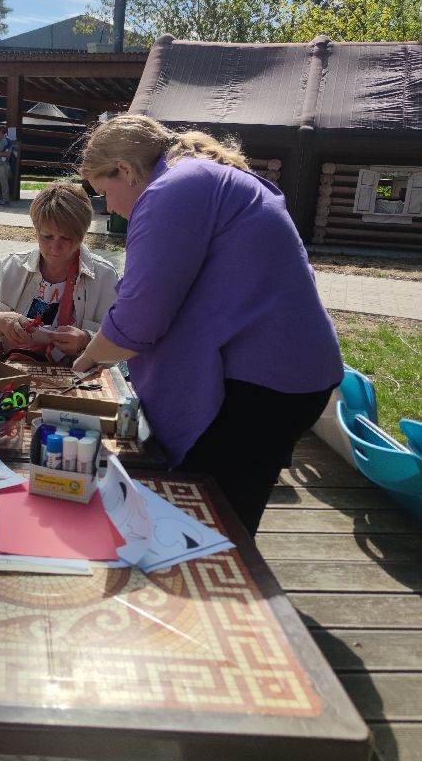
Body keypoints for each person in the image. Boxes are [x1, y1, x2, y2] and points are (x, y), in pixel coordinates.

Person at [73, 114, 343, 537]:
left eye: (105, 191)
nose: (109, 206)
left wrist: (87, 358)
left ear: (124, 169)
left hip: (259, 386)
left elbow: (139, 318)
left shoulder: (170, 191)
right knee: (225, 513)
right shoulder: (201, 176)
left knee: (209, 526)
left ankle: (217, 598)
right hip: (286, 375)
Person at [0, 181, 119, 364]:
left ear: (82, 235)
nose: (54, 248)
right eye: (47, 237)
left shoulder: (104, 276)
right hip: (11, 371)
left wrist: (86, 340)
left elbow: (117, 344)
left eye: (66, 238)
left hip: (74, 379)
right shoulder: (10, 267)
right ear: (36, 231)